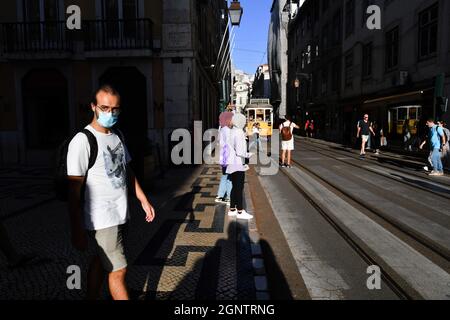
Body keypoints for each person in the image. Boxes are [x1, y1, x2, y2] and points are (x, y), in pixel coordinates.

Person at [67, 85, 156, 300]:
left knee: (100, 261)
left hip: (120, 214)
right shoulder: (82, 141)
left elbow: (127, 170)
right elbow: (73, 191)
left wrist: (143, 199)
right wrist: (77, 229)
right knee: (118, 271)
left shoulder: (117, 135)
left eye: (115, 109)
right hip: (101, 219)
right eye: (105, 108)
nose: (110, 113)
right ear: (93, 107)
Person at [226, 113, 253, 220]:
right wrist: (249, 154)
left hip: (231, 163)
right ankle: (240, 211)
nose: (245, 122)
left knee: (234, 186)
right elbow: (240, 151)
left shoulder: (232, 131)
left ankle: (232, 209)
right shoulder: (239, 132)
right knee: (239, 187)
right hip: (237, 163)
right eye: (243, 120)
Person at [215, 112, 233, 205]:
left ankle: (220, 196)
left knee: (224, 176)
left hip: (223, 156)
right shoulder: (227, 130)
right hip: (228, 156)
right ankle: (229, 197)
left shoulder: (221, 129)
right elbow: (230, 144)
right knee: (230, 177)